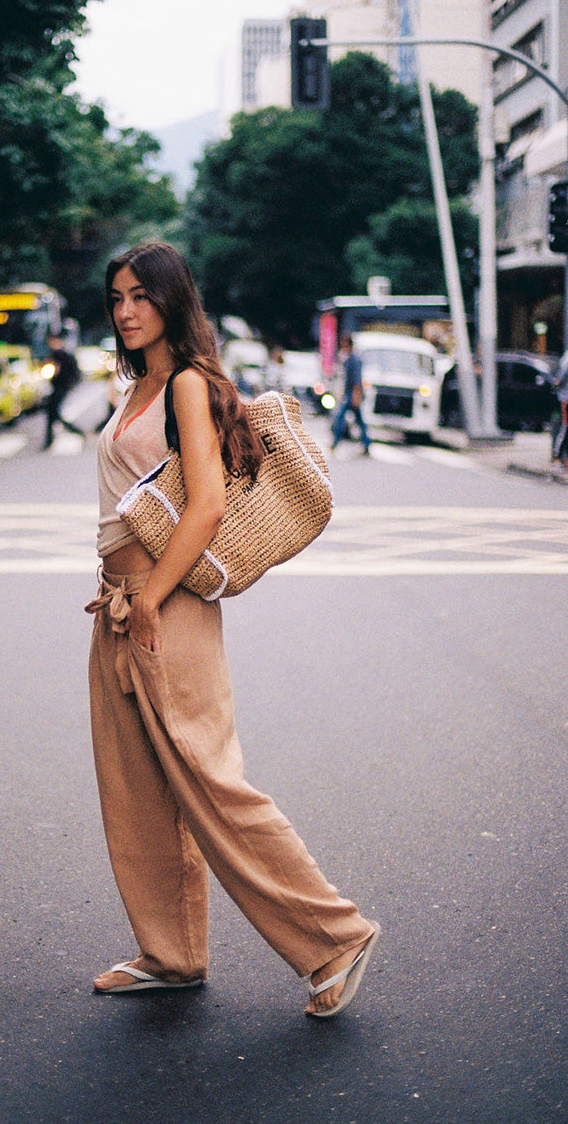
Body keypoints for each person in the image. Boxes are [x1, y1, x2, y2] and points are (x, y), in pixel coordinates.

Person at [85, 242, 379, 1019]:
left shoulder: (186, 383)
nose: (125, 311)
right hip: (118, 596)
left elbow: (208, 502)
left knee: (211, 780)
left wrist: (152, 598)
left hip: (161, 599)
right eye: (116, 298)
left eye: (141, 296)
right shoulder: (137, 384)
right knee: (137, 783)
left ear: (173, 301)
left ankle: (334, 936)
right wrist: (125, 597)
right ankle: (172, 952)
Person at [43, 332, 85, 449]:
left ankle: (75, 431)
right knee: (52, 413)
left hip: (61, 387)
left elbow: (74, 373)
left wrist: (67, 384)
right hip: (56, 387)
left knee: (53, 412)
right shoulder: (52, 356)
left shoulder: (64, 355)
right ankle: (50, 439)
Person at [330, 334, 371, 454]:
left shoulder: (354, 359)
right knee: (359, 420)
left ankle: (335, 442)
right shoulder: (348, 358)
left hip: (352, 394)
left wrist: (356, 396)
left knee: (339, 418)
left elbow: (357, 380)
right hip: (349, 394)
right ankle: (366, 443)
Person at [552, 348, 568, 468]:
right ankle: (556, 456)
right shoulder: (566, 360)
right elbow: (558, 380)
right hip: (566, 399)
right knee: (565, 426)